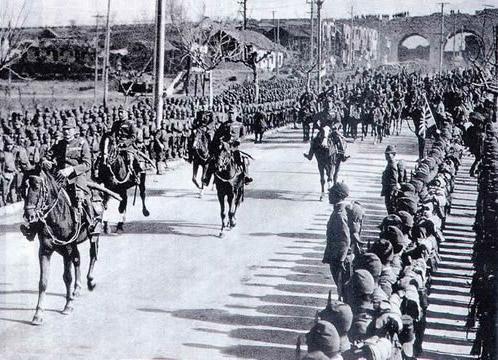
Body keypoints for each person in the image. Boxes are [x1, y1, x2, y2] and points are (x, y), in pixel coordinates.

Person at [20, 118, 100, 241]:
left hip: (77, 178)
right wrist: (46, 161)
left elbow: (87, 164)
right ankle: (33, 228)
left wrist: (72, 170)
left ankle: (91, 225)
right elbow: (46, 156)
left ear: (75, 130)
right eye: (65, 129)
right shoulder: (59, 144)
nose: (67, 132)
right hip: (59, 177)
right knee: (45, 197)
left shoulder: (82, 143)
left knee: (82, 198)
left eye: (69, 129)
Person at [203, 106, 253, 186]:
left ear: (236, 114)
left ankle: (246, 177)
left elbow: (243, 135)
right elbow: (217, 135)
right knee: (213, 161)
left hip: (234, 148)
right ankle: (207, 179)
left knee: (243, 160)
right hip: (224, 148)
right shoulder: (224, 125)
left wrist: (239, 140)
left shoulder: (240, 125)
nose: (231, 115)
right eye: (229, 113)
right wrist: (219, 140)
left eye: (233, 113)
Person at [381, 145, 401, 214]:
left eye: (388, 154)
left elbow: (395, 178)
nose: (386, 156)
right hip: (388, 188)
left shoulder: (392, 164)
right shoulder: (390, 163)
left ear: (393, 154)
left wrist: (393, 189)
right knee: (389, 205)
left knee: (390, 206)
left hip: (390, 189)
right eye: (386, 154)